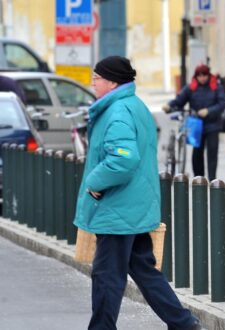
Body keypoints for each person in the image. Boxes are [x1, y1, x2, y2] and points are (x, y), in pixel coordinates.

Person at [73, 56, 201, 330]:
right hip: (134, 204)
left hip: (117, 207)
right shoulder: (134, 105)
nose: (93, 83)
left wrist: (94, 183)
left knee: (107, 276)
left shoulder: (117, 111)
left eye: (96, 78)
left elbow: (123, 159)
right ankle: (184, 323)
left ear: (112, 82)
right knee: (144, 271)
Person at [164, 64, 225, 180]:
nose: (202, 78)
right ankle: (199, 179)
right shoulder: (191, 87)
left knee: (212, 153)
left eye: (204, 75)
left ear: (208, 75)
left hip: (213, 125)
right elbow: (179, 100)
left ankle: (213, 179)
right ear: (196, 76)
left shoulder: (216, 86)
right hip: (197, 125)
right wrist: (169, 105)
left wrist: (209, 111)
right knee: (197, 154)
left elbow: (222, 104)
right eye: (200, 76)